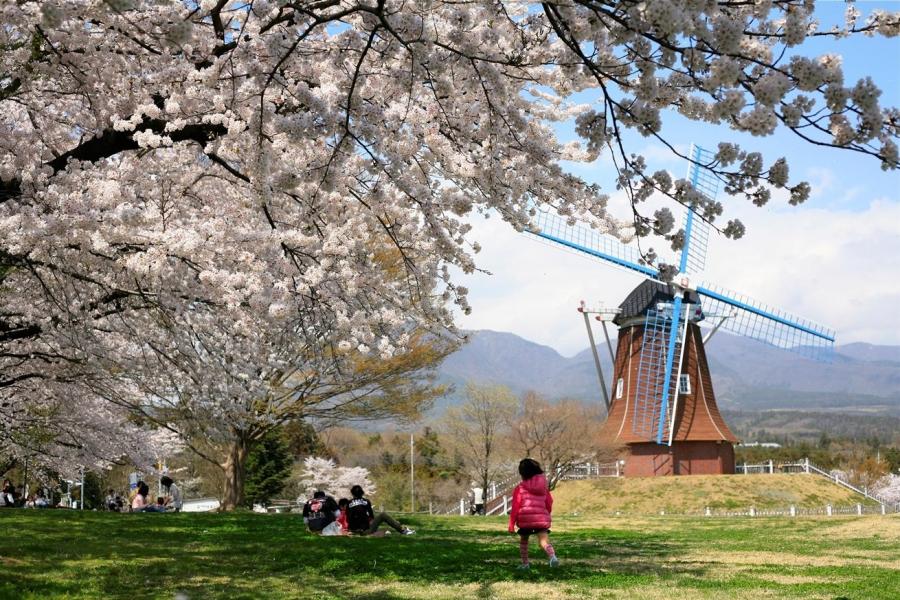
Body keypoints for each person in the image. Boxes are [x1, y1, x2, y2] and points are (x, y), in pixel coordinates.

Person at [508, 458, 559, 569]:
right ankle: (552, 557)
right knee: (543, 542)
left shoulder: (520, 488)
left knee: (524, 541)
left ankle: (525, 564)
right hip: (541, 519)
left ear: (523, 473)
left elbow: (515, 506)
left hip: (525, 520)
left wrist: (511, 524)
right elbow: (549, 502)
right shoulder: (543, 487)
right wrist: (547, 513)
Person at [345, 485, 415, 536]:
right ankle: (402, 530)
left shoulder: (349, 503)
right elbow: (371, 517)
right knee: (383, 515)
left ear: (352, 494)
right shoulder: (366, 501)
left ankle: (399, 527)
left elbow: (348, 518)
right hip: (363, 532)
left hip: (353, 530)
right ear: (362, 493)